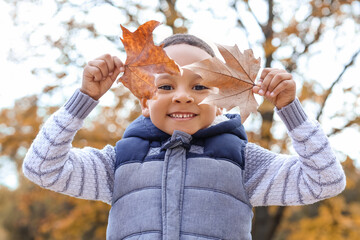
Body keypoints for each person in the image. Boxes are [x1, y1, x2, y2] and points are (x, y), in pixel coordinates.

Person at [23, 33, 346, 240]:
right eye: (165, 86)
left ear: (222, 102)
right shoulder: (118, 162)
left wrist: (291, 110)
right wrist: (84, 99)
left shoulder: (244, 162)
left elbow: (325, 180)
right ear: (145, 102)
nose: (182, 96)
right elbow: (42, 168)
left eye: (200, 86)